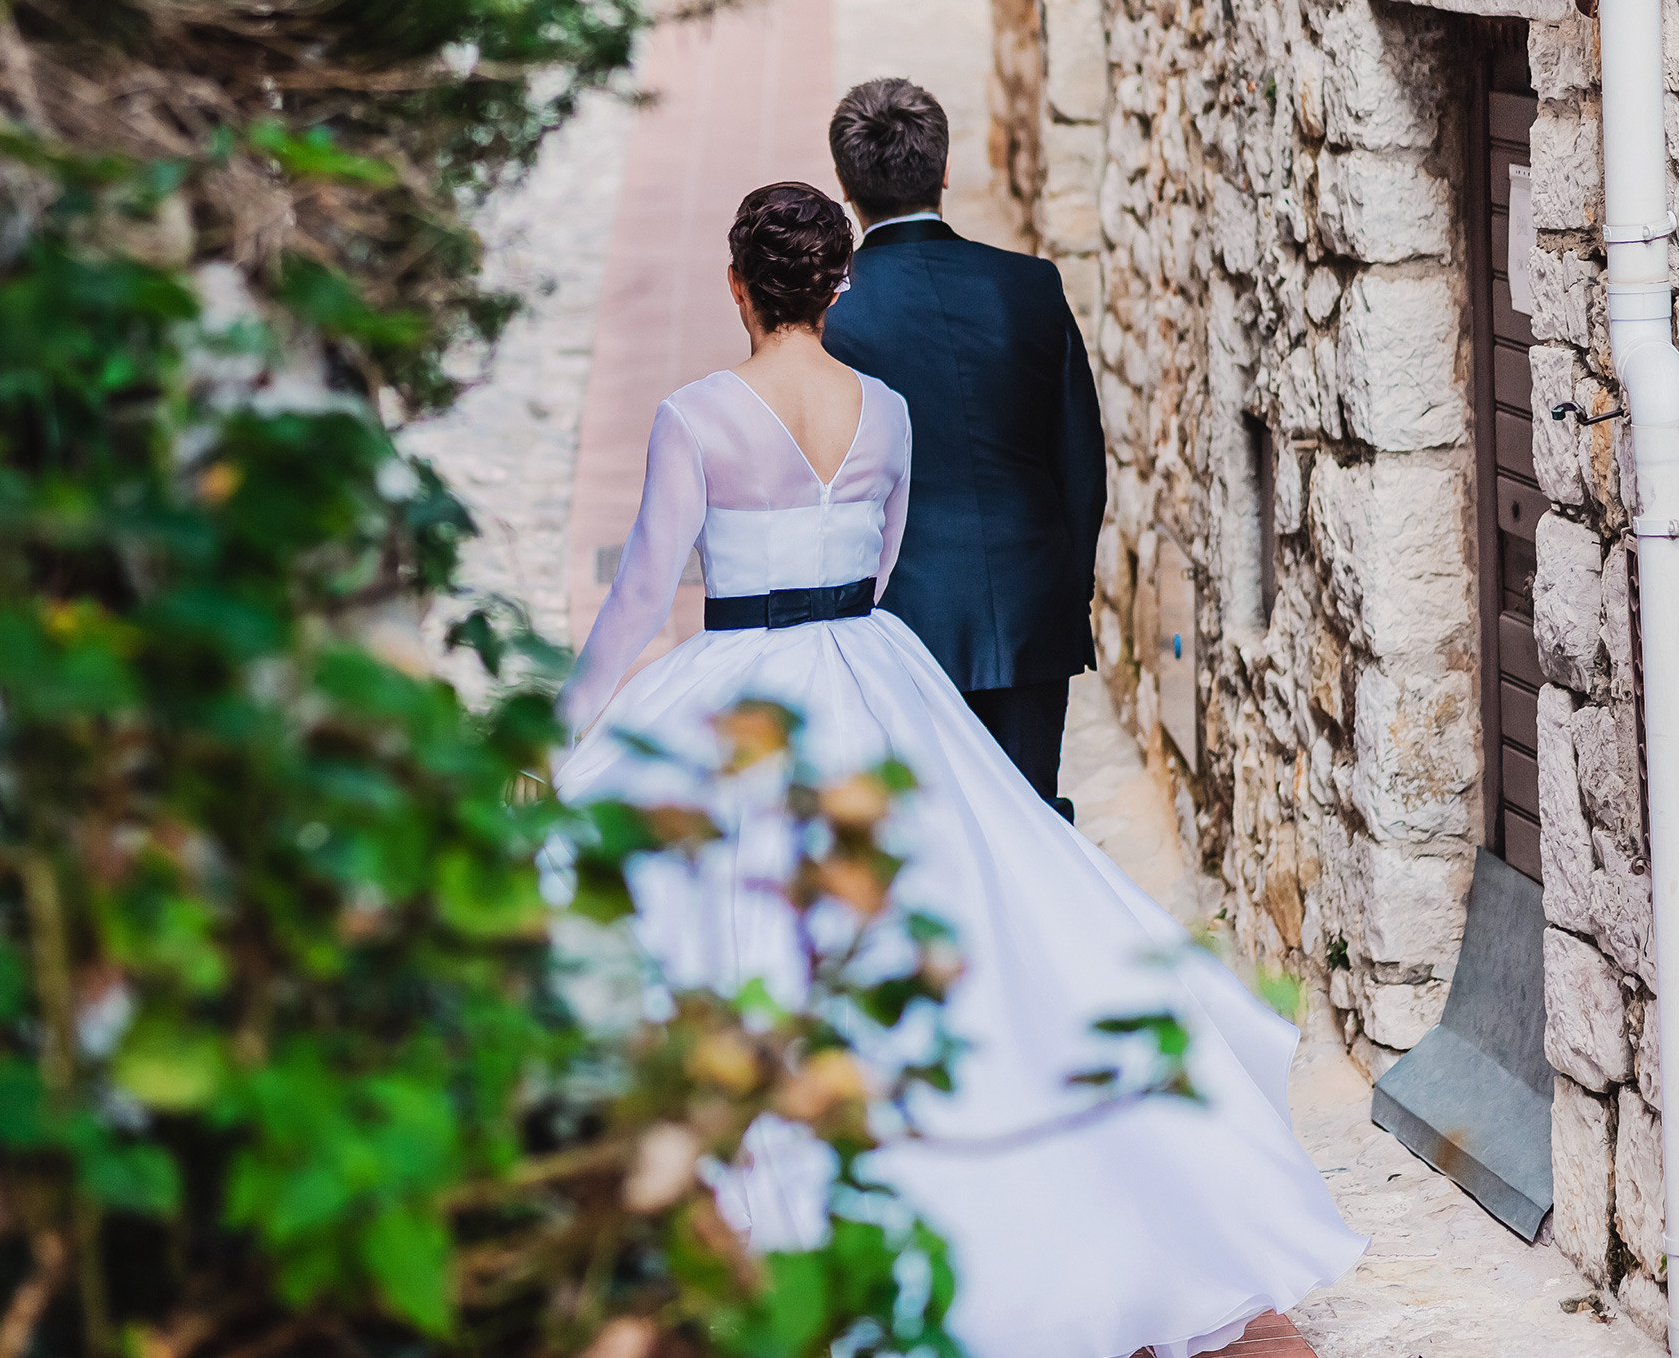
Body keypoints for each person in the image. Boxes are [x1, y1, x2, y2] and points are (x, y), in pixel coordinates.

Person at [555, 183, 1362, 1358]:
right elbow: (880, 563)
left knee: (717, 924)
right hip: (873, 671)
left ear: (738, 285)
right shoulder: (883, 412)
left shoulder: (695, 416)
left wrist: (568, 730)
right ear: (838, 287)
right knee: (956, 912)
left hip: (737, 675)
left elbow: (640, 593)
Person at [820, 79, 1104, 817]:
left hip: (901, 621)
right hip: (1033, 605)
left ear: (847, 188)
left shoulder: (833, 314)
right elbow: (1081, 461)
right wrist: (1066, 590)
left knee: (930, 839)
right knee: (1031, 825)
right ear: (945, 170)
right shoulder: (1031, 286)